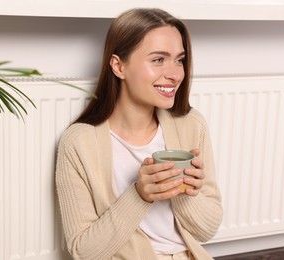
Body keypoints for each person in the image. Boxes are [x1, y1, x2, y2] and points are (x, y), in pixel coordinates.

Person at [55, 8, 223, 260]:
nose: (175, 74)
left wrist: (187, 192)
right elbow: (84, 252)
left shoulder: (191, 125)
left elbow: (206, 230)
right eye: (158, 59)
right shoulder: (79, 143)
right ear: (118, 66)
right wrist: (140, 194)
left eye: (179, 59)